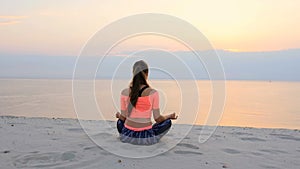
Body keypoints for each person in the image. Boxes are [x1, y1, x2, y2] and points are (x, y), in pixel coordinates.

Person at [116, 60, 178, 145]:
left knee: (119, 122)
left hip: (127, 136)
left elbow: (123, 118)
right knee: (167, 122)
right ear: (147, 73)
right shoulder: (153, 93)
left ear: (133, 73)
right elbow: (158, 119)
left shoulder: (124, 92)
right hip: (145, 137)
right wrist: (169, 116)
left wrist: (118, 115)